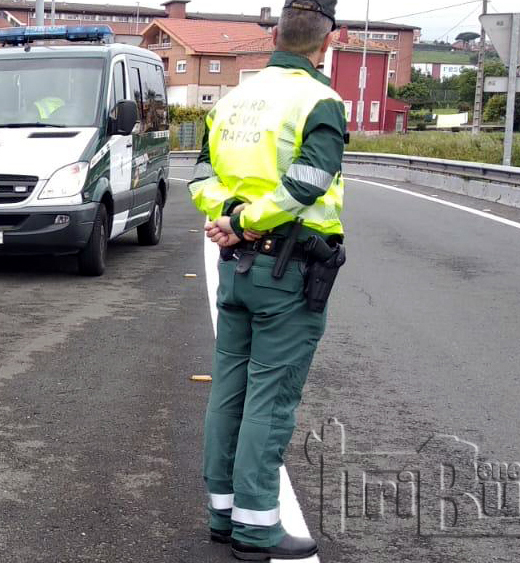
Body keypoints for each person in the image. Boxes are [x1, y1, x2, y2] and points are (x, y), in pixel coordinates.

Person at [187, 0, 346, 559]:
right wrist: (248, 220)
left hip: (236, 271)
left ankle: (223, 513)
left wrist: (229, 216)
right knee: (270, 399)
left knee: (229, 392)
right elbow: (309, 181)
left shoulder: (233, 100)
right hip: (287, 271)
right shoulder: (319, 100)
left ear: (275, 36)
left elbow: (200, 177)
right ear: (328, 41)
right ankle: (256, 527)